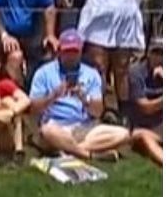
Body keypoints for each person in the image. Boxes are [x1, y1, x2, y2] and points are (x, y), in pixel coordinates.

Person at [30, 28, 131, 160]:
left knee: (123, 134)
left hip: (85, 127)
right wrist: (53, 96)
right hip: (57, 126)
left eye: (74, 52)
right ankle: (89, 154)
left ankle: (69, 150)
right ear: (59, 51)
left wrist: (84, 97)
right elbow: (33, 109)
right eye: (67, 51)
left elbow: (97, 112)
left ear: (81, 51)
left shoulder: (92, 74)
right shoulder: (43, 73)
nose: (71, 56)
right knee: (47, 131)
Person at [75, 0, 148, 113]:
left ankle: (125, 115)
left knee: (122, 68)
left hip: (125, 14)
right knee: (98, 66)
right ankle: (98, 111)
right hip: (99, 13)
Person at [126, 35, 163, 166]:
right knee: (144, 137)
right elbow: (145, 108)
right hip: (144, 127)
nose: (159, 58)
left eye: (163, 53)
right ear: (148, 53)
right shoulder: (136, 72)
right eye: (156, 53)